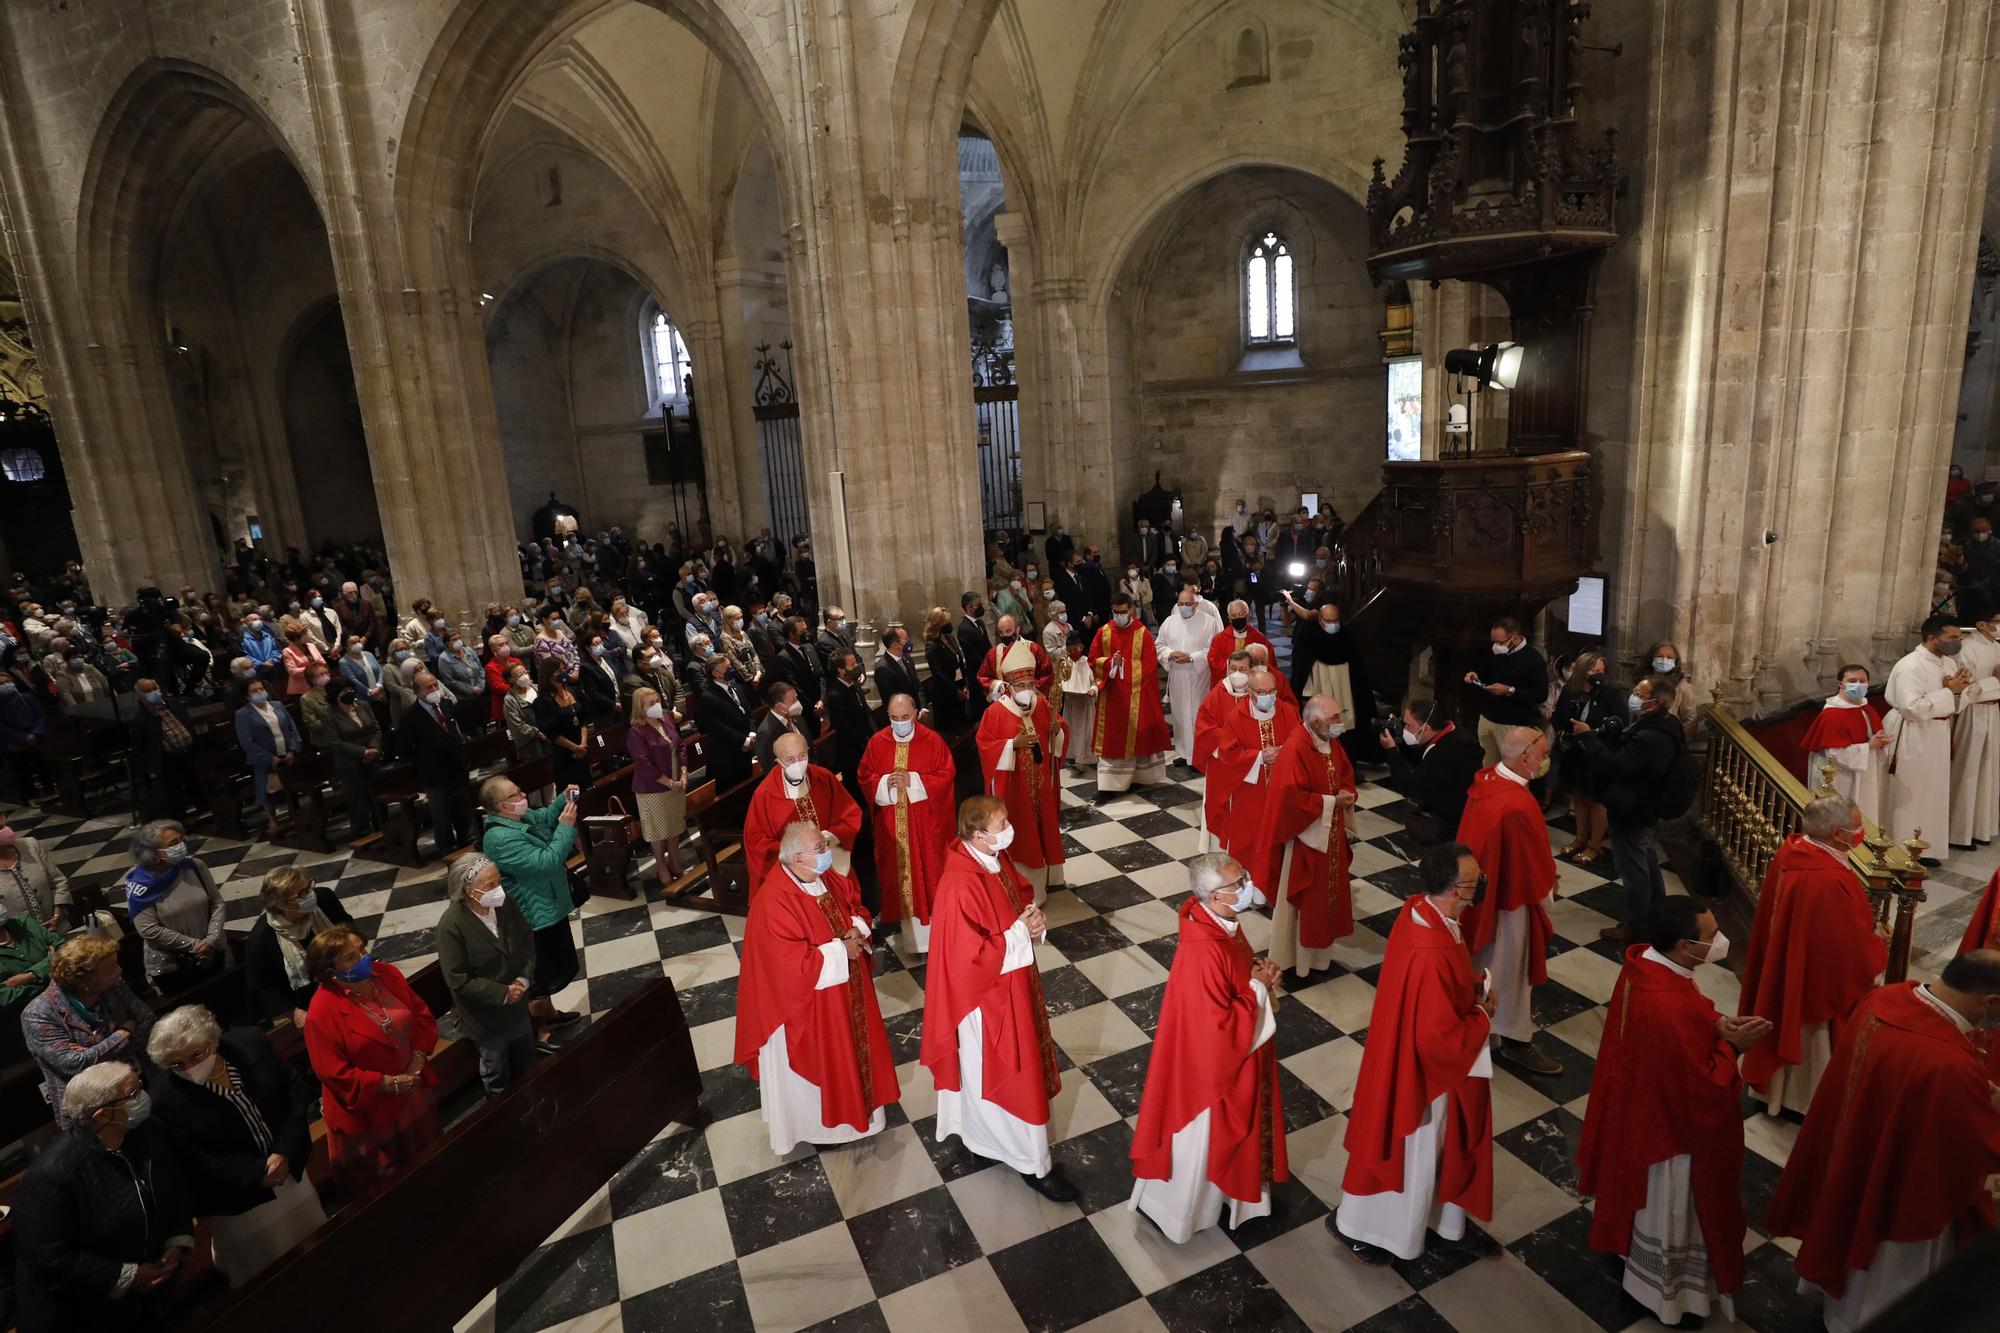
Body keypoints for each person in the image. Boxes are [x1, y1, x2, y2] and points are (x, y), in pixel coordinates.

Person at [1764, 950, 2000, 1332]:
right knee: (1888, 1282)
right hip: (1898, 1189)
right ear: (1989, 1000)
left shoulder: (1886, 998)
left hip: (1854, 1150)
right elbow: (1971, 1148)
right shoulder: (1947, 1063)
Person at [1578, 897, 1764, 1326]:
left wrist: (1714, 1023)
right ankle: (1668, 1295)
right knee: (1669, 1208)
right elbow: (1703, 1090)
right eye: (1712, 935)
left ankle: (1628, 1253)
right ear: (1684, 946)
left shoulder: (1645, 966)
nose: (1721, 941)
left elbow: (1687, 1015)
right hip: (1668, 1138)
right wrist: (1733, 1047)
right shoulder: (1667, 1005)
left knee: (1637, 1201)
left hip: (1639, 1110)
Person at [1334, 842, 1497, 1265]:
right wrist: (1481, 1014)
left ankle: (1441, 1221)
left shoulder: (1421, 912)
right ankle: (1375, 1229)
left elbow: (1437, 990)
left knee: (1419, 1149)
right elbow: (1439, 1039)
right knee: (1418, 1149)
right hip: (1422, 1078)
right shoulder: (1431, 949)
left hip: (1401, 1053)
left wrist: (1469, 981)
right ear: (1456, 890)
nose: (1479, 888)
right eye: (1474, 883)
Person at [921, 795, 1077, 1200]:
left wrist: (1034, 918)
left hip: (1010, 984)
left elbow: (1017, 897)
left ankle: (984, 1141)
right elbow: (967, 956)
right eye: (1001, 824)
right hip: (985, 1000)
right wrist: (1022, 932)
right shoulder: (959, 881)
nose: (1009, 828)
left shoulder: (989, 858)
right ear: (977, 834)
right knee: (1009, 1072)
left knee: (987, 1074)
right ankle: (1033, 1164)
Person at [1128, 852, 1285, 1243]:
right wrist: (1258, 989)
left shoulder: (1222, 923)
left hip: (1234, 1048)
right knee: (1200, 1143)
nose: (1246, 887)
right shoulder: (1202, 948)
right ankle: (1183, 1214)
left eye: (1243, 877)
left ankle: (1233, 1198)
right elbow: (1215, 1028)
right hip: (1207, 1075)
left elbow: (1240, 976)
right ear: (1214, 896)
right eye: (1238, 884)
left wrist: (1259, 978)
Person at [735, 821, 900, 1153]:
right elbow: (787, 967)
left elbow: (856, 906)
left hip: (843, 995)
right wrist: (842, 950)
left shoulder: (821, 880)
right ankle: (820, 1130)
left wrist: (857, 929)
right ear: (797, 858)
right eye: (819, 849)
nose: (828, 853)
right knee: (818, 1072)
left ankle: (859, 1112)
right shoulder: (774, 901)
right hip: (804, 1010)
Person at [145, 1007, 325, 1286]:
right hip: (236, 1198)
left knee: (314, 1242)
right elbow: (194, 1159)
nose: (189, 1068)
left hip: (288, 1169)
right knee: (266, 1269)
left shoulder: (249, 1044)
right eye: (177, 1064)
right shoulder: (163, 1099)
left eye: (196, 1055)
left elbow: (293, 1090)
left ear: (213, 1040)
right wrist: (257, 1174)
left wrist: (285, 1150)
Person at [13, 1061, 194, 1333]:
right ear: (101, 1115)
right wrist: (128, 1276)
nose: (142, 1098)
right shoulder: (52, 1175)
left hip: (147, 1300)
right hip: (83, 1315)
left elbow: (173, 1190)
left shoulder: (146, 1133)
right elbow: (49, 1260)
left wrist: (176, 1242)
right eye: (133, 1094)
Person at [1736, 795, 1888, 1117]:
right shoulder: (1825, 878)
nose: (1862, 832)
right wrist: (1875, 941)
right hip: (1812, 983)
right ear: (1836, 834)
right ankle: (1802, 1102)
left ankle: (1777, 1096)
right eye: (1857, 826)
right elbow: (1842, 954)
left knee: (1783, 1005)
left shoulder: (1795, 850)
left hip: (1792, 964)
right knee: (1810, 1038)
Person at [1453, 727, 1563, 1077]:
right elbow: (1532, 868)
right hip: (1510, 903)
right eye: (1542, 755)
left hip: (1484, 898)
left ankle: (1485, 1027)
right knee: (1511, 971)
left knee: (1486, 964)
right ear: (1523, 757)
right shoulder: (1516, 803)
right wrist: (1547, 884)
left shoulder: (1487, 781)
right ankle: (1516, 1039)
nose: (1545, 762)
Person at [303, 925, 442, 1198]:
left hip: (411, 1091)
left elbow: (420, 1014)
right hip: (370, 1111)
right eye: (351, 957)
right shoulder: (321, 1011)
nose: (364, 957)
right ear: (330, 971)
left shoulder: (386, 974)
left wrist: (418, 1055)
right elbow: (332, 1072)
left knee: (429, 1166)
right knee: (389, 1189)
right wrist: (389, 1084)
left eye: (362, 949)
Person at [1252, 696, 1357, 977]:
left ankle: (1320, 956)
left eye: (1340, 715)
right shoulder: (1297, 747)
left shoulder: (1329, 740)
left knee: (1326, 896)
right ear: (1315, 721)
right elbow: (1290, 799)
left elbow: (1345, 772)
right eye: (1335, 718)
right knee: (1304, 898)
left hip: (1328, 830)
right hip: (1304, 839)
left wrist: (1346, 793)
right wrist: (1332, 802)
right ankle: (1295, 959)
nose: (1340, 723)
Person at [479, 777, 585, 1039]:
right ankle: (538, 1029)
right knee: (540, 973)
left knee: (555, 966)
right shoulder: (499, 839)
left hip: (548, 904)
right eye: (515, 795)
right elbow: (546, 862)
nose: (523, 795)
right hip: (532, 915)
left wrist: (562, 799)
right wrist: (566, 828)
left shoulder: (518, 819)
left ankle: (548, 1014)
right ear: (501, 806)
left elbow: (543, 818)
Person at [1586, 675, 1686, 940]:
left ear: (1654, 703)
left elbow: (1620, 764)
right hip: (1643, 805)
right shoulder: (1666, 723)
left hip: (1634, 807)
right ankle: (1656, 909)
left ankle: (1636, 925)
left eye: (1640, 695)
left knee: (1632, 867)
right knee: (1645, 858)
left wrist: (1590, 740)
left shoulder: (1652, 736)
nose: (1633, 696)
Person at [857, 695, 956, 953]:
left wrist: (913, 781)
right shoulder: (877, 743)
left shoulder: (932, 741)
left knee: (928, 874)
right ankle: (912, 939)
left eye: (904, 717)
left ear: (915, 714)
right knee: (901, 878)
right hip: (893, 828)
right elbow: (865, 775)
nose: (899, 723)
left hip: (925, 828)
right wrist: (883, 783)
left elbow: (946, 776)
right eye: (893, 718)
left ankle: (937, 934)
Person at [23, 935, 156, 1122]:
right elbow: (74, 1064)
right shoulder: (39, 1014)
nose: (119, 970)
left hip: (138, 1083)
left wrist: (95, 1051)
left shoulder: (114, 985)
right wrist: (125, 1030)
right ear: (86, 980)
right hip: (94, 1112)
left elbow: (148, 1020)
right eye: (111, 967)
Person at [437, 854, 539, 1095]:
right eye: (490, 885)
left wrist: (523, 979)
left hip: (517, 1003)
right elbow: (457, 979)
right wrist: (503, 992)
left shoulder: (505, 904)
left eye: (498, 882)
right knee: (496, 1070)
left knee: (527, 1058)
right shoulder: (451, 926)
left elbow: (526, 940)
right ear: (467, 889)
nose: (498, 889)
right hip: (486, 1016)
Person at [975, 642, 1067, 903]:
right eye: (1020, 687)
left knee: (1043, 830)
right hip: (1015, 792)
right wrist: (1011, 745)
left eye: (1030, 685)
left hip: (1041, 789)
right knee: (1022, 836)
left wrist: (1056, 731)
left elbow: (1059, 729)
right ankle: (1024, 889)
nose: (1027, 691)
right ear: (1008, 687)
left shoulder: (1040, 704)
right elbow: (984, 746)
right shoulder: (995, 713)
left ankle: (1047, 882)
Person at [1882, 614, 1971, 858]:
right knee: (1911, 791)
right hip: (1913, 734)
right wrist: (1948, 691)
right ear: (1932, 638)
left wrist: (1959, 691)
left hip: (1938, 732)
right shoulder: (1911, 665)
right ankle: (1902, 849)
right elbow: (1912, 708)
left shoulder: (1948, 663)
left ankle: (1925, 846)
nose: (1958, 642)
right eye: (1952, 637)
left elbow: (1957, 701)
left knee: (1934, 790)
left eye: (1959, 636)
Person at [743, 732, 862, 889]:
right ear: (778, 761)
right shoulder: (765, 795)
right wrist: (796, 853)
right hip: (795, 874)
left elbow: (850, 814)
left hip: (831, 859)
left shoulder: (823, 778)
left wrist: (826, 838)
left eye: (802, 755)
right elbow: (755, 840)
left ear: (808, 751)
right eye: (790, 759)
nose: (798, 763)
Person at [121, 820, 227, 993]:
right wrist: (194, 945)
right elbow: (148, 930)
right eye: (173, 844)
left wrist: (211, 939)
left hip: (212, 952)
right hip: (174, 966)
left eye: (181, 840)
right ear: (153, 853)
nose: (181, 846)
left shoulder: (195, 866)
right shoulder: (140, 884)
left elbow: (217, 903)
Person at [244, 864, 354, 1027]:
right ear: (281, 903)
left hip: (348, 977)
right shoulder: (262, 939)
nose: (311, 894)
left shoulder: (325, 899)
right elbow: (264, 988)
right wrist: (295, 1013)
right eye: (302, 894)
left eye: (309, 886)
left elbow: (351, 932)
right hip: (309, 1001)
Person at [1210, 668, 1302, 860]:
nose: (1268, 696)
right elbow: (1228, 755)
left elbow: (1302, 745)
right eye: (1261, 692)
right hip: (1250, 793)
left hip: (1283, 791)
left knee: (1282, 846)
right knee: (1251, 846)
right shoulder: (1236, 717)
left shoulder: (1290, 713)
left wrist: (1285, 751)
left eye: (1272, 691)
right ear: (1250, 692)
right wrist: (1260, 757)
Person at [1088, 593, 1171, 793]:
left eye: (1123, 612)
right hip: (1112, 696)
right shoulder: (1103, 632)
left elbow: (1151, 665)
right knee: (1113, 740)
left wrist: (1124, 665)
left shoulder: (1142, 633)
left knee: (1139, 736)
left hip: (1137, 694)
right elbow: (1093, 659)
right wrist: (1109, 664)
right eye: (1115, 612)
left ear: (1131, 610)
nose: (1119, 616)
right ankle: (1111, 786)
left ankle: (1141, 778)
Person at [1376, 696, 1482, 844]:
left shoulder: (1444, 753)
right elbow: (1424, 759)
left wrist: (1391, 751)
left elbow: (1409, 787)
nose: (1404, 728)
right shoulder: (1453, 732)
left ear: (1426, 728)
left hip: (1450, 823)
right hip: (1461, 810)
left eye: (1407, 725)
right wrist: (1401, 737)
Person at [1799, 663, 1891, 830]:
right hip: (1841, 777)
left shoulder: (1866, 709)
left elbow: (1873, 737)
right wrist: (1869, 746)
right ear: (1840, 684)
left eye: (1862, 681)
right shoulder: (1832, 715)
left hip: (1864, 773)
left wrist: (1881, 742)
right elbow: (1834, 754)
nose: (1858, 684)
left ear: (1868, 684)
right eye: (1852, 680)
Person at [1549, 653, 1621, 862]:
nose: (1598, 675)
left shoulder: (1610, 694)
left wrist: (1592, 731)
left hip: (1598, 752)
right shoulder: (1571, 691)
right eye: (1593, 671)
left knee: (1596, 801)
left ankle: (1595, 845)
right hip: (1575, 752)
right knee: (1578, 797)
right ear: (1582, 670)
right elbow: (1558, 716)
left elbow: (1620, 722)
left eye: (1601, 671)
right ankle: (1580, 839)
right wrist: (1564, 730)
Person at [399, 667, 476, 853]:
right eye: (428, 687)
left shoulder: (446, 704)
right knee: (441, 812)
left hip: (457, 766)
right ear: (418, 692)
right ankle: (446, 846)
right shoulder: (410, 716)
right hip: (434, 772)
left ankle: (466, 838)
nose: (434, 690)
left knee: (462, 806)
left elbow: (454, 731)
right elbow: (405, 749)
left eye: (435, 685)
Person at [626, 687, 687, 888]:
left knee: (674, 826)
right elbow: (644, 764)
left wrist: (684, 773)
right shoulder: (636, 731)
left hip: (676, 782)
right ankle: (661, 866)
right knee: (659, 831)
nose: (657, 706)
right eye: (651, 703)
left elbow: (680, 746)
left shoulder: (666, 719)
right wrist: (670, 783)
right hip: (653, 789)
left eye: (658, 700)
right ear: (640, 708)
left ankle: (675, 861)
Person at [1950, 614, 2000, 849]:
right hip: (1972, 714)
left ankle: (1980, 827)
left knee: (1988, 768)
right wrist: (1995, 682)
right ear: (1981, 623)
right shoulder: (1967, 648)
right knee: (1968, 768)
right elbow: (1965, 690)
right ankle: (1959, 832)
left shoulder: (1996, 646)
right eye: (1998, 619)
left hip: (1992, 712)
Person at [1155, 587, 1220, 767]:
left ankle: (1199, 755)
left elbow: (1213, 649)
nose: (1184, 607)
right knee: (1179, 714)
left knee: (1196, 714)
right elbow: (1159, 644)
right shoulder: (1170, 621)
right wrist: (1170, 653)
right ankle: (1184, 752)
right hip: (1177, 675)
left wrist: (1192, 657)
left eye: (1188, 604)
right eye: (1181, 604)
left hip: (1197, 675)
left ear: (1196, 604)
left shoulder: (1208, 622)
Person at [127, 678, 207, 823]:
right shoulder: (140, 719)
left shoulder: (174, 704)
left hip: (188, 752)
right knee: (173, 794)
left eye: (154, 688)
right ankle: (180, 823)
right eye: (148, 691)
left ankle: (206, 813)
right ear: (140, 695)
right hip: (167, 760)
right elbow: (141, 746)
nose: (153, 692)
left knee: (198, 786)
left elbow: (187, 723)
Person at [233, 677, 300, 825]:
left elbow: (292, 728)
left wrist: (292, 750)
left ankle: (295, 814)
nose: (259, 693)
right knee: (267, 790)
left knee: (291, 786)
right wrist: (270, 758)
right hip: (265, 758)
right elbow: (247, 742)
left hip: (286, 753)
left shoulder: (277, 705)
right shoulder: (243, 714)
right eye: (254, 691)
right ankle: (272, 820)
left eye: (261, 689)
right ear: (247, 696)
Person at [692, 654, 757, 789]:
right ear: (716, 674)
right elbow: (718, 727)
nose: (731, 669)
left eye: (730, 666)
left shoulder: (735, 685)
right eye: (727, 668)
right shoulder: (708, 697)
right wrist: (743, 741)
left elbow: (748, 712)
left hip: (747, 747)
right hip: (728, 757)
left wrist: (751, 733)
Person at [0, 813, 71, 929]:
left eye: (5, 826)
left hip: (57, 930)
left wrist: (57, 915)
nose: (6, 831)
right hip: (20, 942)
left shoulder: (30, 845)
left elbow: (58, 883)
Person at [974, 614, 1054, 701]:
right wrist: (997, 684)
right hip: (1006, 702)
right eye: (1001, 632)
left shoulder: (1033, 649)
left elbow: (1047, 674)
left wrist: (1029, 688)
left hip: (1032, 699)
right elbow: (982, 677)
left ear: (1017, 630)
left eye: (1008, 631)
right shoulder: (993, 654)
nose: (1004, 635)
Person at [1054, 632, 1096, 770]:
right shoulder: (1065, 663)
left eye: (1075, 649)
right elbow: (1059, 681)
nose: (1072, 653)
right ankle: (1074, 757)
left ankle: (1084, 758)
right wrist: (1059, 688)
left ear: (1081, 647)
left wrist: (1093, 690)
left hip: (1085, 703)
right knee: (1071, 730)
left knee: (1085, 731)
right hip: (1071, 702)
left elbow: (1095, 681)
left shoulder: (1088, 662)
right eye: (1069, 650)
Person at [923, 607, 968, 730]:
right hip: (945, 693)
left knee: (963, 725)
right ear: (938, 624)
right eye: (946, 622)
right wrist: (956, 691)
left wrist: (964, 685)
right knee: (950, 728)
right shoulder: (931, 645)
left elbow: (959, 662)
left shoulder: (950, 638)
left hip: (959, 686)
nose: (949, 624)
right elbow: (938, 673)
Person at [1204, 599, 1271, 680]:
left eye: (1241, 614)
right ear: (1229, 619)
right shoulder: (1219, 639)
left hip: (1252, 682)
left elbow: (1269, 662)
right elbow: (1213, 661)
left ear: (1247, 615)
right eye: (1234, 616)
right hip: (1228, 680)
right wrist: (1233, 666)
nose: (1238, 618)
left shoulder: (1259, 638)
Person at [956, 591, 993, 721]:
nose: (981, 607)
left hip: (987, 671)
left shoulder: (980, 623)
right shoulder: (964, 628)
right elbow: (972, 655)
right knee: (981, 709)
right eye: (978, 605)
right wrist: (988, 665)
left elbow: (988, 646)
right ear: (968, 607)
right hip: (977, 674)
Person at [873, 626, 921, 711]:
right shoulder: (882, 669)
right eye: (905, 639)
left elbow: (917, 686)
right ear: (895, 645)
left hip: (918, 711)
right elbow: (892, 701)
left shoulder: (907, 658)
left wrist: (922, 709)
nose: (909, 641)